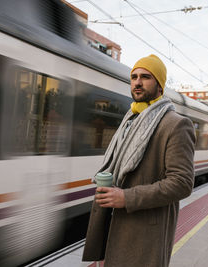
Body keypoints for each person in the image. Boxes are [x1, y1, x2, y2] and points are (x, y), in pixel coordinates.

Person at [82, 54, 195, 267]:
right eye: (134, 77)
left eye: (145, 77)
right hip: (114, 226)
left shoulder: (176, 125)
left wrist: (127, 197)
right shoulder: (130, 120)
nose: (137, 82)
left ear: (160, 85)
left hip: (144, 235)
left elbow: (181, 183)